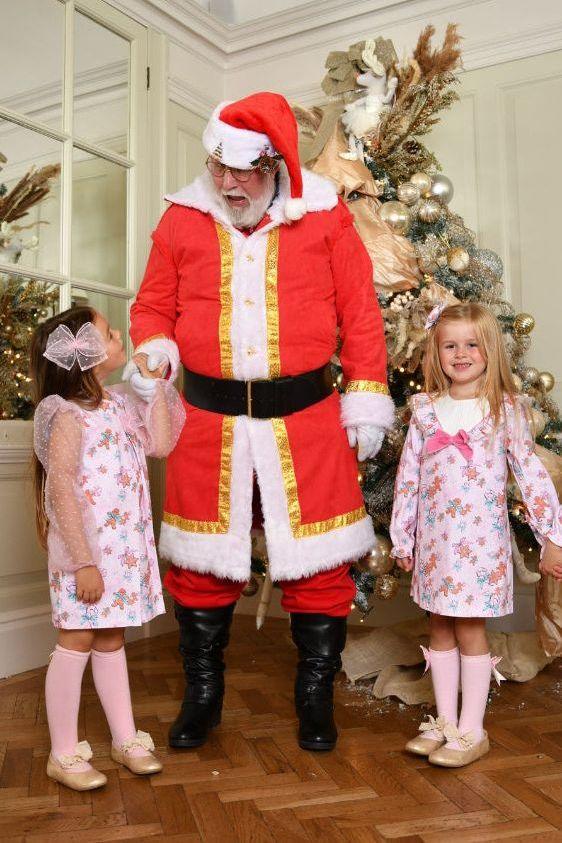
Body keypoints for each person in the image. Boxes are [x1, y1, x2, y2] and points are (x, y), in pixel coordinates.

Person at [128, 91, 395, 752]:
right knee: (201, 565)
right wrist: (153, 350)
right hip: (208, 422)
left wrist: (364, 393)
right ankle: (203, 694)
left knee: (318, 565)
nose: (224, 181)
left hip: (306, 419)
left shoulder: (326, 219)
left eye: (241, 170)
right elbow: (152, 307)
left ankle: (314, 697)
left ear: (275, 162)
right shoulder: (182, 220)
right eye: (216, 165)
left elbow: (361, 314)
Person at [390, 302, 562, 768]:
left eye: (472, 345)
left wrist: (553, 536)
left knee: (468, 628)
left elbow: (531, 476)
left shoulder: (503, 411)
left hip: (479, 548)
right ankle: (445, 722)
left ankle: (472, 729)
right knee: (439, 626)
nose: (461, 353)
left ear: (490, 351)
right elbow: (408, 479)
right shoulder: (426, 412)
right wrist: (403, 537)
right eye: (450, 345)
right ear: (436, 351)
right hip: (434, 546)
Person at [31, 306, 185, 790]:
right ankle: (63, 752)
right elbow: (62, 492)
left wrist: (153, 386)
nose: (121, 336)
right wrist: (83, 563)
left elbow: (160, 443)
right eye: (110, 333)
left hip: (122, 553)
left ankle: (124, 737)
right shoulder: (66, 416)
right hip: (86, 557)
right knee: (76, 640)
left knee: (112, 639)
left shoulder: (120, 403)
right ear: (86, 354)